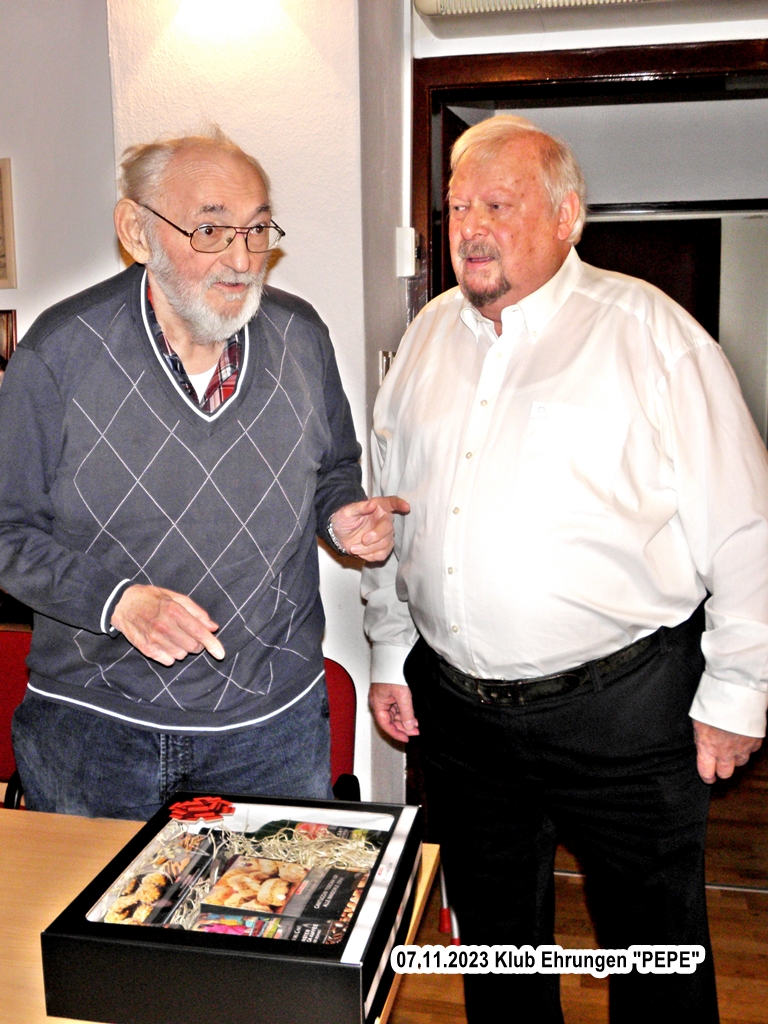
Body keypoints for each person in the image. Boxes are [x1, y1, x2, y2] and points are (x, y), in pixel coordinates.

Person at [363, 115, 768, 1023]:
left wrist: (741, 690)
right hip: (462, 719)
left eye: (498, 205)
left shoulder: (651, 335)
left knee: (655, 949)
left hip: (623, 712)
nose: (471, 228)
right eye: (459, 206)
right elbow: (392, 511)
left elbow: (747, 527)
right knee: (497, 944)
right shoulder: (425, 336)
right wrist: (390, 649)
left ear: (566, 216)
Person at [0, 127, 407, 820]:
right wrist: (117, 602)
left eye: (257, 230)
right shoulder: (59, 352)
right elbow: (7, 531)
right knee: (94, 897)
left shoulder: (302, 336)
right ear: (137, 231)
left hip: (272, 726)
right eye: (211, 230)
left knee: (272, 894)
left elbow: (333, 468)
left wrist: (343, 516)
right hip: (95, 731)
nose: (243, 260)